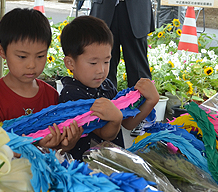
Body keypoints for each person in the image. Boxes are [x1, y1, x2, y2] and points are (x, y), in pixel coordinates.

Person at [0, 8, 82, 151]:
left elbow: (58, 147)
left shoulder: (51, 95)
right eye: (22, 57)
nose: (31, 65)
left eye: (40, 56)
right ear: (2, 51)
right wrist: (38, 147)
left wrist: (68, 143)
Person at [59, 16, 159, 160]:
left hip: (111, 163)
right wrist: (115, 118)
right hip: (87, 169)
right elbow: (105, 133)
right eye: (93, 63)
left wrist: (150, 101)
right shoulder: (72, 94)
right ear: (70, 63)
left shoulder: (106, 85)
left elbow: (128, 122)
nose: (101, 70)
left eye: (106, 61)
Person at [90, 0, 155, 88]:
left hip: (136, 10)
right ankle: (103, 99)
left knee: (138, 71)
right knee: (102, 68)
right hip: (104, 7)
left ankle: (141, 100)